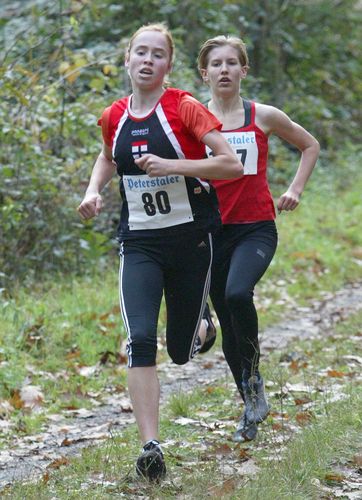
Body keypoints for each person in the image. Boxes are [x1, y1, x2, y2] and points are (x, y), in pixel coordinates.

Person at [78, 24, 242, 482]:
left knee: (181, 350)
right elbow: (109, 157)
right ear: (127, 60)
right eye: (140, 53)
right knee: (141, 341)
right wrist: (93, 191)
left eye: (157, 55)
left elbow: (229, 164)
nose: (147, 61)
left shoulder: (183, 107)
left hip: (191, 241)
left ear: (168, 65)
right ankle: (150, 446)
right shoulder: (115, 115)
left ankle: (204, 324)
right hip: (141, 243)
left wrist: (174, 165)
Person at [197, 36, 320, 442]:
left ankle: (253, 383)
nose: (225, 70)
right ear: (205, 73)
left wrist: (295, 190)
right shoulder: (193, 120)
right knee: (229, 326)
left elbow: (309, 145)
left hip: (256, 228)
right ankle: (250, 399)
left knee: (236, 295)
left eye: (233, 63)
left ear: (244, 71)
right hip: (212, 234)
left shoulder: (262, 115)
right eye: (217, 64)